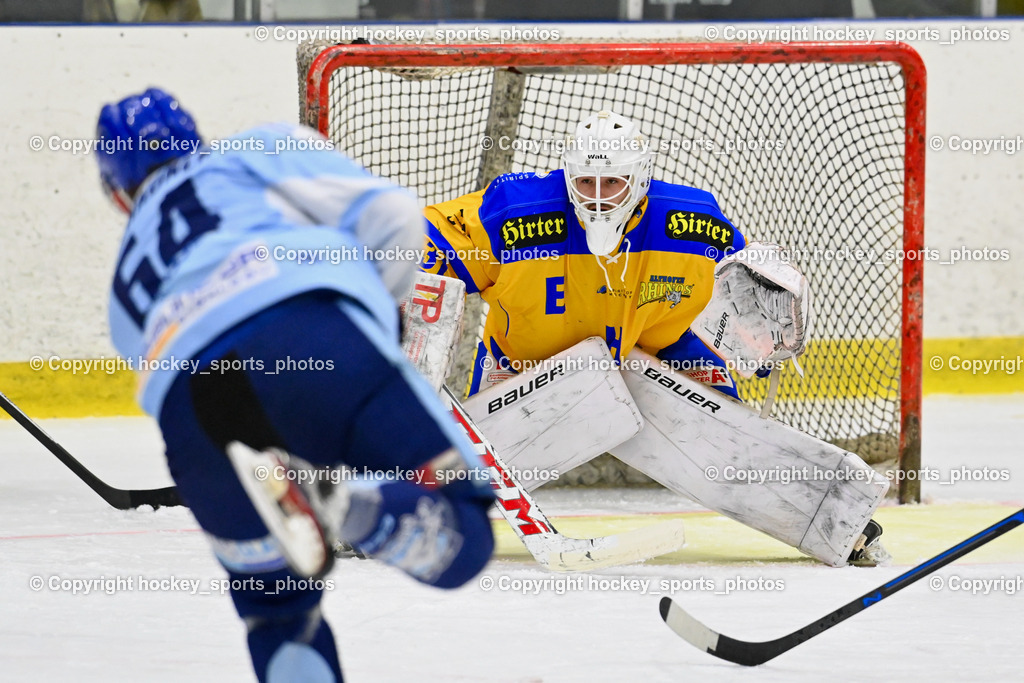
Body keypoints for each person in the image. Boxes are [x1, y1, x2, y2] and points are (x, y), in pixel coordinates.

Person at [97, 88, 494, 682]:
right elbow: (394, 217)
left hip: (195, 413)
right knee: (464, 522)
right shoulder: (254, 149)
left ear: (115, 194)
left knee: (279, 617)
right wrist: (375, 325)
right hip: (315, 337)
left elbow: (160, 373)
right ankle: (350, 504)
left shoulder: (121, 293)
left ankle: (317, 500)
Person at [419, 110, 887, 566]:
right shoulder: (515, 211)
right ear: (568, 176)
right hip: (527, 361)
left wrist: (763, 340)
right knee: (477, 474)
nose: (598, 198)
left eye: (612, 183)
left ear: (640, 178)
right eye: (586, 183)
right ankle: (400, 510)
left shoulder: (692, 222)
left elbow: (743, 298)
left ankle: (841, 525)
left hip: (655, 351)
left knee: (733, 444)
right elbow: (432, 236)